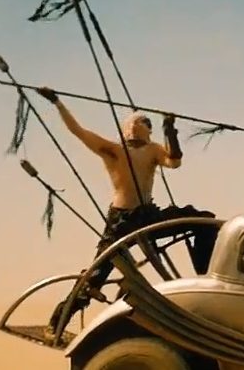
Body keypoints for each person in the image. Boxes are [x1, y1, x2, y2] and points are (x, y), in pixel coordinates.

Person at [35, 86, 213, 329]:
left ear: (149, 130)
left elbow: (174, 161)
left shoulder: (153, 149)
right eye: (135, 123)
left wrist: (169, 129)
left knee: (203, 221)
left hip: (148, 217)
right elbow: (78, 131)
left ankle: (206, 275)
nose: (138, 126)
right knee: (95, 276)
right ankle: (57, 323)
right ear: (125, 128)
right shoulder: (113, 150)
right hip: (121, 221)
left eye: (144, 123)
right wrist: (57, 102)